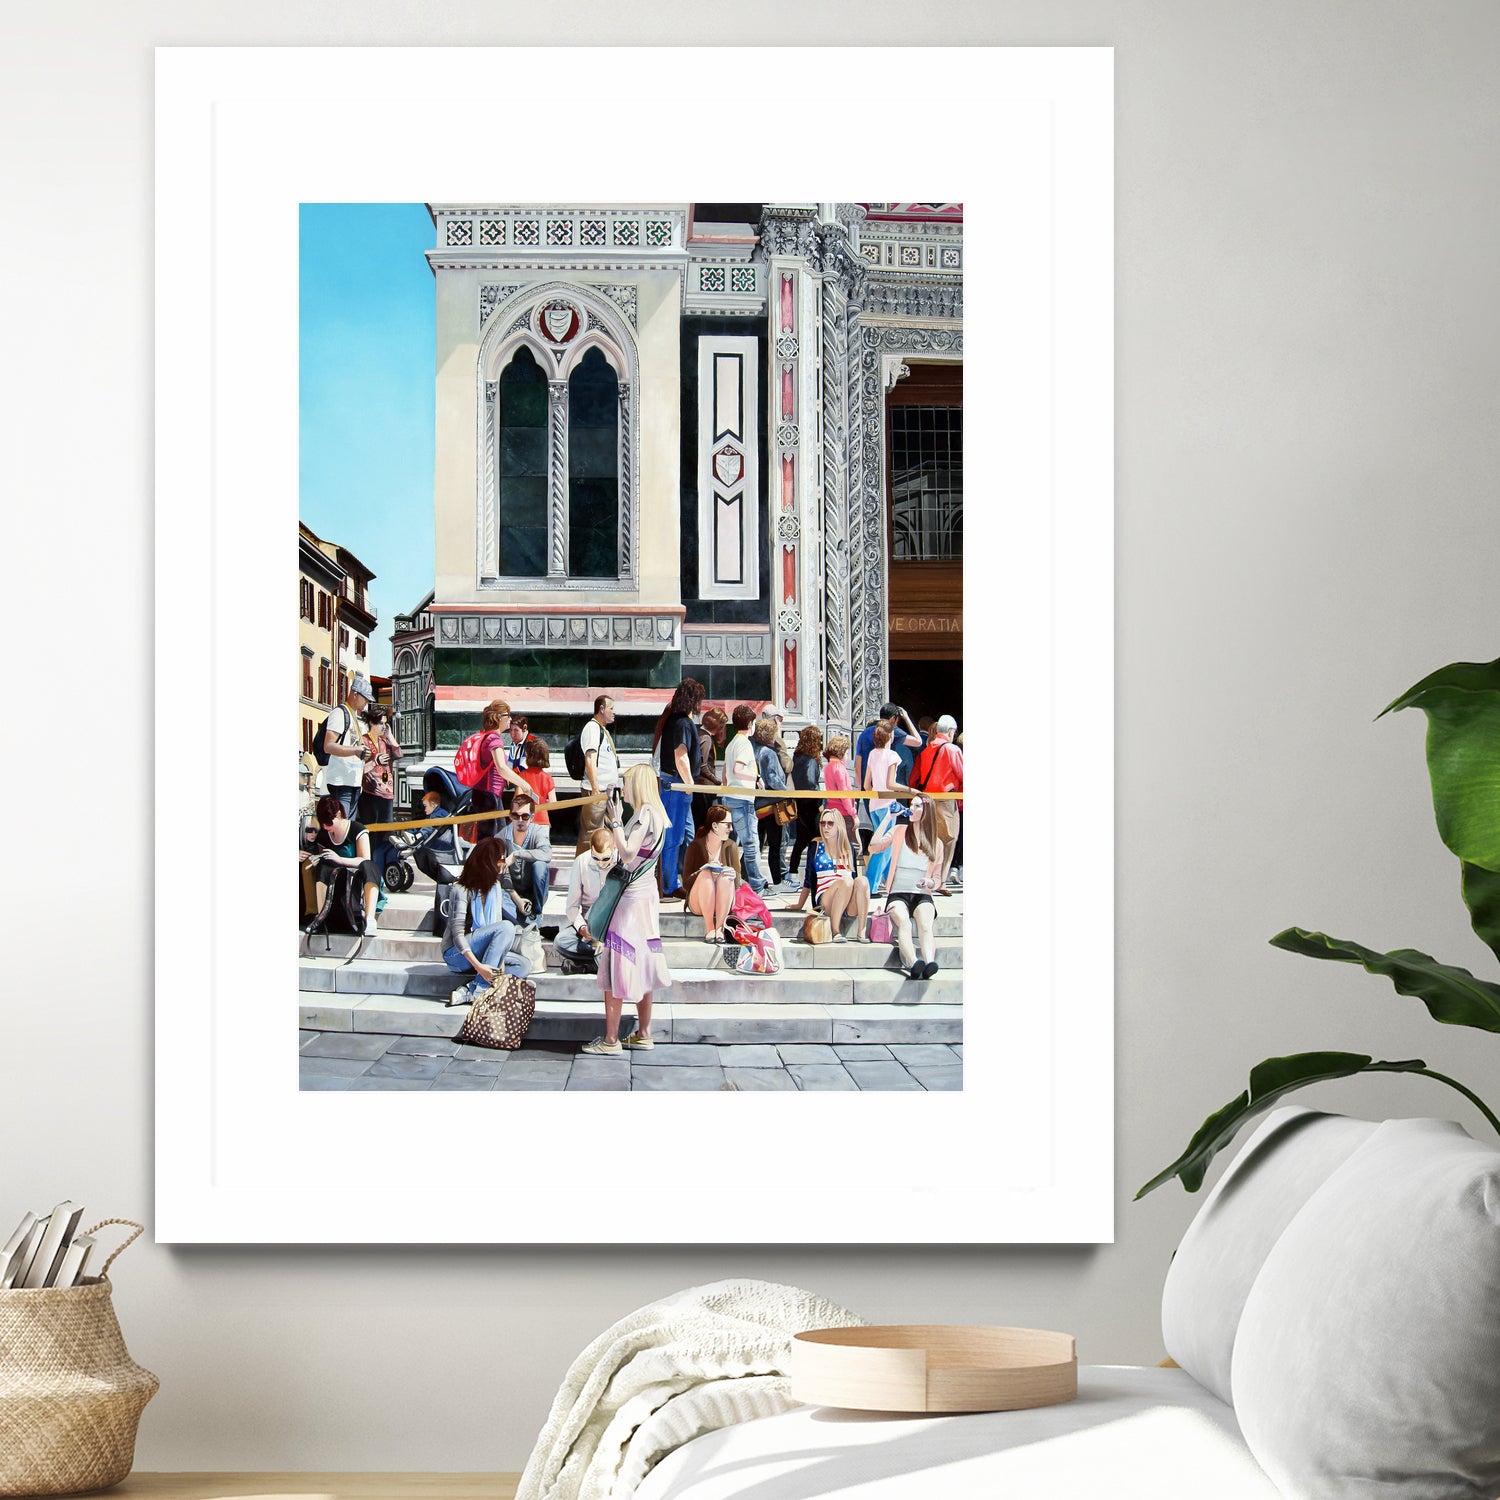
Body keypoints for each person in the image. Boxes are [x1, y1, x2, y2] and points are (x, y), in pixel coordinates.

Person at [583, 762, 672, 1055]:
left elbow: (628, 851)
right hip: (646, 897)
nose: (625, 788)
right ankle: (644, 1032)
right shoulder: (659, 816)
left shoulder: (645, 814)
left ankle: (611, 1040)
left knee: (618, 963)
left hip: (631, 900)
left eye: (627, 782)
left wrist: (617, 821)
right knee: (643, 962)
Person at [441, 838, 530, 1007]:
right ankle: (481, 989)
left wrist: (500, 961)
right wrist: (480, 968)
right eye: (501, 859)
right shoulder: (460, 890)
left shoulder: (495, 887)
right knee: (506, 927)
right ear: (488, 863)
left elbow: (496, 928)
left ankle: (470, 988)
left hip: (484, 952)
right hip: (457, 954)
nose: (504, 864)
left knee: (523, 966)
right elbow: (457, 935)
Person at [867, 793, 945, 979]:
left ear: (927, 812)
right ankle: (913, 963)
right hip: (898, 893)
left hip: (922, 894)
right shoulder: (900, 831)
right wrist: (887, 818)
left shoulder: (937, 843)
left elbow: (938, 879)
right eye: (912, 805)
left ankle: (929, 962)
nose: (912, 808)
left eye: (917, 806)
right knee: (904, 922)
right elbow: (873, 847)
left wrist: (930, 882)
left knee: (926, 924)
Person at [651, 678, 705, 897]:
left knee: (683, 834)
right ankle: (669, 884)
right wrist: (689, 785)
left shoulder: (673, 719)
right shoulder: (682, 722)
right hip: (676, 784)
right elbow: (680, 755)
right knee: (674, 837)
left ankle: (674, 878)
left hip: (672, 783)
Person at [783, 807, 871, 943]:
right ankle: (835, 931)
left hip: (847, 900)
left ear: (839, 826)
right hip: (825, 899)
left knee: (863, 881)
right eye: (822, 823)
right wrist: (799, 904)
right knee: (846, 881)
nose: (826, 827)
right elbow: (808, 880)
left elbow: (855, 880)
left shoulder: (849, 848)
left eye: (830, 823)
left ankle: (861, 931)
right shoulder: (816, 846)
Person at [302, 793, 380, 937]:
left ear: (338, 815)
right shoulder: (324, 835)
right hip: (335, 880)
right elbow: (322, 857)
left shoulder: (357, 829)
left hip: (356, 878)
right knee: (322, 866)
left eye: (329, 823)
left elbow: (365, 860)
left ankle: (370, 919)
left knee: (371, 867)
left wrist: (340, 859)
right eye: (323, 824)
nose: (326, 827)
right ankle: (320, 916)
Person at [357, 703, 403, 909]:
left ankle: (380, 879)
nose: (384, 727)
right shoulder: (364, 741)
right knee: (373, 840)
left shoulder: (385, 740)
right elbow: (359, 769)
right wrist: (375, 760)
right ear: (372, 723)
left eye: (386, 724)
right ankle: (372, 881)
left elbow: (399, 755)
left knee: (386, 838)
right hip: (370, 796)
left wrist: (391, 736)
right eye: (382, 724)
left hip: (387, 795)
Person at [910, 714, 964, 893]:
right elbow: (963, 775)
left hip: (926, 800)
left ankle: (927, 877)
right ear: (950, 731)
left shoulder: (925, 751)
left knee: (931, 840)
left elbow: (914, 779)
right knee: (949, 839)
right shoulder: (952, 750)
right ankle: (939, 881)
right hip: (946, 800)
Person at [720, 704, 769, 894]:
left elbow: (726, 772)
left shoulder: (732, 743)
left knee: (728, 844)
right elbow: (737, 770)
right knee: (750, 844)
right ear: (750, 723)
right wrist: (756, 778)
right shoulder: (744, 744)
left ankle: (729, 881)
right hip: (742, 799)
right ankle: (756, 884)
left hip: (730, 797)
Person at [552, 828, 615, 974]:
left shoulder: (621, 863)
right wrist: (582, 928)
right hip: (588, 924)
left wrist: (606, 935)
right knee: (561, 941)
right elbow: (572, 906)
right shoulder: (581, 861)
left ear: (613, 848)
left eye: (605, 859)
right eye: (595, 858)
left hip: (613, 926)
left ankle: (586, 966)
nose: (600, 863)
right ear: (591, 850)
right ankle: (601, 962)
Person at [680, 802, 744, 943]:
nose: (731, 829)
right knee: (706, 874)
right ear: (715, 826)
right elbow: (685, 883)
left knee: (726, 877)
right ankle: (710, 928)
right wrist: (703, 870)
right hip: (699, 902)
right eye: (727, 825)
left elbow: (738, 883)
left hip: (725, 901)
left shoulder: (730, 846)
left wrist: (734, 876)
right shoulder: (695, 846)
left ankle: (720, 929)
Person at [472, 699, 529, 841]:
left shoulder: (486, 736)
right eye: (508, 715)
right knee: (492, 839)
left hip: (486, 794)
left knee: (493, 838)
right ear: (498, 717)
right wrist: (524, 784)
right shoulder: (494, 740)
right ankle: (487, 863)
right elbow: (502, 768)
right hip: (489, 796)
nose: (510, 719)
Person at [321, 675, 374, 817]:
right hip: (341, 782)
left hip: (354, 783)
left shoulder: (354, 717)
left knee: (347, 826)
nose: (367, 702)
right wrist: (356, 750)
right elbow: (328, 746)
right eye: (365, 698)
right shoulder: (339, 713)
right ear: (355, 694)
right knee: (341, 825)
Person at [862, 721, 904, 897]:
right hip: (888, 805)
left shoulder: (872, 754)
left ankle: (891, 881)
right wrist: (910, 790)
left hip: (874, 804)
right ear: (890, 736)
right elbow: (891, 783)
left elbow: (866, 784)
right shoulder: (892, 755)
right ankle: (870, 885)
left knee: (885, 845)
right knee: (883, 847)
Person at [497, 790, 552, 926]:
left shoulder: (537, 831)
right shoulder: (501, 837)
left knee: (540, 866)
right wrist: (517, 900)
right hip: (511, 893)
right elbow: (501, 872)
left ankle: (536, 912)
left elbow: (547, 854)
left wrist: (517, 854)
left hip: (534, 890)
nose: (520, 820)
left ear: (532, 817)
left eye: (525, 816)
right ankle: (518, 919)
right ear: (510, 816)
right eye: (516, 816)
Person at [575, 695, 620, 854]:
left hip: (606, 792)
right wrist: (594, 789)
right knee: (591, 834)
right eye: (611, 708)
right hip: (597, 791)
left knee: (605, 834)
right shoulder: (592, 728)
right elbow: (590, 759)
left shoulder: (602, 730)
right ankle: (582, 871)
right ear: (601, 709)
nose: (614, 712)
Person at [753, 714, 793, 890]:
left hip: (757, 804)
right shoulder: (768, 752)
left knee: (757, 844)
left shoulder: (753, 749)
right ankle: (777, 881)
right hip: (771, 804)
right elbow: (772, 778)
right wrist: (787, 792)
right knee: (775, 845)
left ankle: (750, 877)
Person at [852, 702, 921, 798]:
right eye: (897, 721)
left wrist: (861, 789)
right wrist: (906, 717)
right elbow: (918, 742)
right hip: (885, 792)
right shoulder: (891, 731)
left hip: (867, 790)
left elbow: (858, 762)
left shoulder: (864, 734)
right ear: (893, 719)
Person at [788, 725, 824, 878]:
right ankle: (814, 871)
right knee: (817, 838)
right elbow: (811, 782)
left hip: (800, 801)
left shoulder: (797, 756)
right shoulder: (811, 760)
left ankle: (793, 871)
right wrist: (819, 801)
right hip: (811, 804)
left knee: (801, 840)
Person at [822, 735, 859, 874]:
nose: (848, 756)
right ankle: (851, 874)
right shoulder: (839, 768)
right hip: (843, 813)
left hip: (831, 810)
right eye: (847, 752)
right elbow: (844, 794)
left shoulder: (828, 767)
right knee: (850, 846)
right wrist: (854, 814)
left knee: (835, 846)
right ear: (842, 751)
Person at [692, 706, 728, 840]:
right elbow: (703, 766)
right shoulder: (706, 739)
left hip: (699, 788)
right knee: (702, 824)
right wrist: (717, 781)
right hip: (703, 790)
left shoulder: (699, 734)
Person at [519, 736, 556, 828]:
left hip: (526, 821)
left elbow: (517, 799)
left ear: (527, 755)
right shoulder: (548, 778)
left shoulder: (522, 776)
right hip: (543, 822)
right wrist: (544, 802)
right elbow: (553, 803)